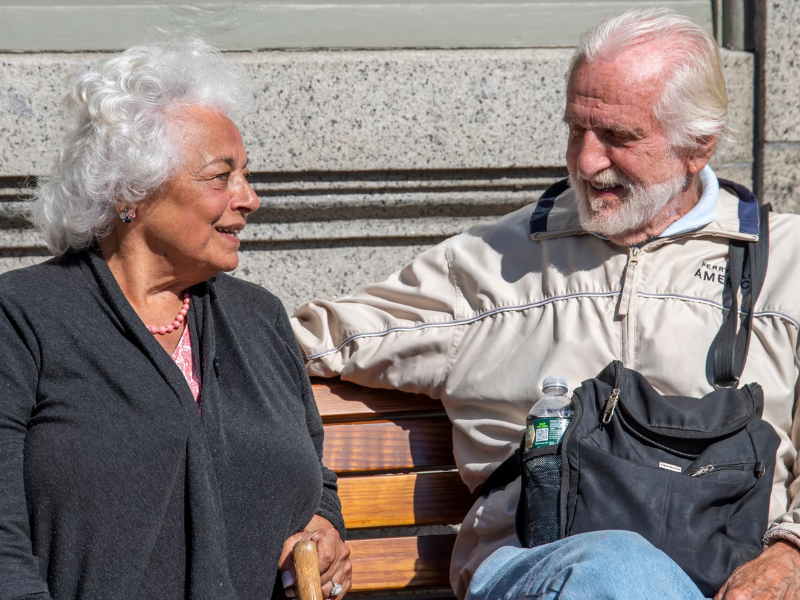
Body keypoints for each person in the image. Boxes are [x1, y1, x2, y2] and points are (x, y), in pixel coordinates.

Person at [291, 8, 800, 600]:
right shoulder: (488, 265)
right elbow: (300, 343)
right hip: (540, 573)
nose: (586, 161)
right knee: (619, 571)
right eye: (575, 131)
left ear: (698, 145)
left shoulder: (786, 266)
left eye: (619, 136)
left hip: (739, 578)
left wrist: (791, 552)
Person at [0, 35, 351, 600]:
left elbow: (314, 477)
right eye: (221, 176)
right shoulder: (22, 317)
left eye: (246, 174)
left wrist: (324, 527)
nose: (250, 198)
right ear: (131, 191)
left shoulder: (257, 318)